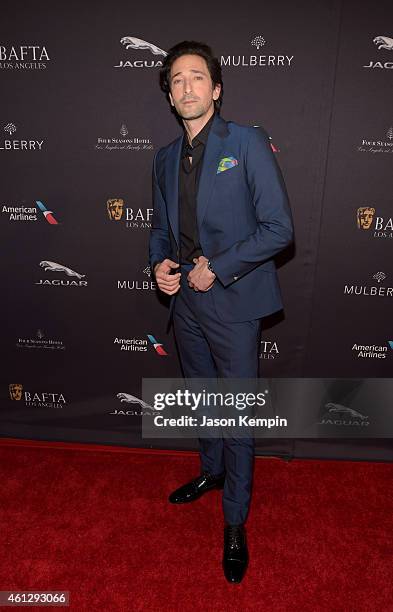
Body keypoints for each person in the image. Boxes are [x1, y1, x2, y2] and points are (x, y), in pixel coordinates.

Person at [149, 40, 294, 583]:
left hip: (233, 302)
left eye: (196, 77)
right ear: (170, 94)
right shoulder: (163, 157)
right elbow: (161, 229)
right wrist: (159, 265)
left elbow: (280, 229)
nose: (186, 87)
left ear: (216, 89)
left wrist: (221, 265)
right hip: (183, 303)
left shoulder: (248, 141)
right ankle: (211, 473)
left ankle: (235, 521)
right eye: (177, 80)